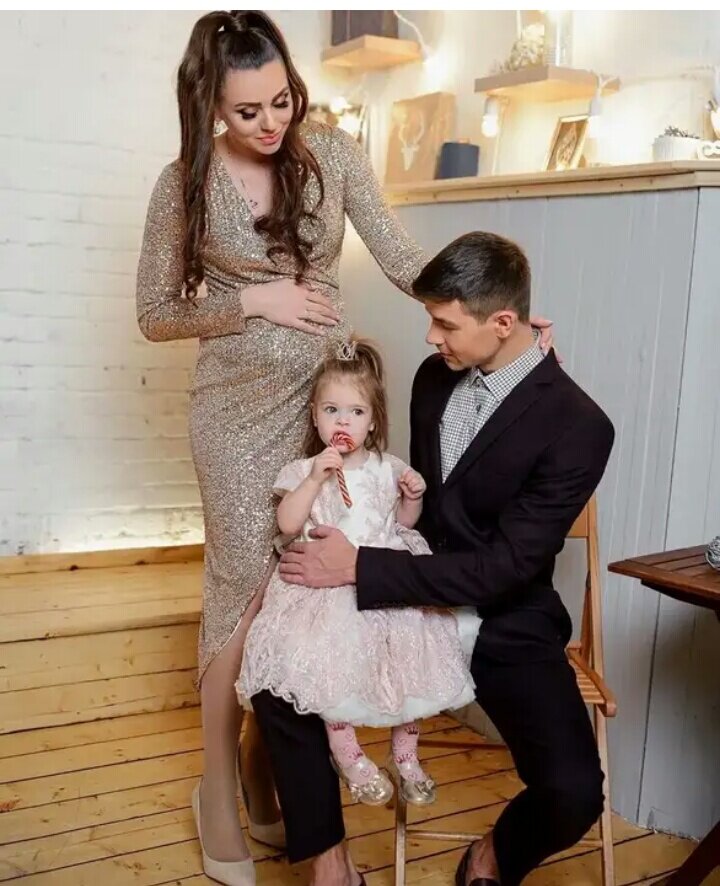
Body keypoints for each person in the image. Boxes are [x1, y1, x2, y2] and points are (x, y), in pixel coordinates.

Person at [136, 8, 553, 883]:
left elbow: (402, 257)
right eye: (246, 110)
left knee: (303, 588)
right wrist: (254, 301)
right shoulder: (183, 183)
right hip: (234, 415)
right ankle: (220, 789)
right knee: (243, 592)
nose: (269, 122)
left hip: (326, 403)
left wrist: (497, 318)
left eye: (281, 100)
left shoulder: (333, 153)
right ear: (210, 105)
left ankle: (267, 767)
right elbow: (155, 312)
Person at [258, 232, 615, 886]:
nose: (429, 337)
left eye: (445, 323)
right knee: (278, 677)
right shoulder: (434, 378)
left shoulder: (579, 426)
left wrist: (360, 568)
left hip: (501, 616)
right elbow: (410, 497)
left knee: (573, 791)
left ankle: (490, 857)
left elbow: (505, 567)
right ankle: (331, 867)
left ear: (502, 322)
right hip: (402, 601)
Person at [237, 339, 479, 815]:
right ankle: (347, 754)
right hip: (325, 592)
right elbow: (287, 523)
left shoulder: (388, 467)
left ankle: (405, 753)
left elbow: (400, 525)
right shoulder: (303, 469)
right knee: (329, 659)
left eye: (355, 412)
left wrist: (412, 497)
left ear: (373, 420)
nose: (343, 422)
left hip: (381, 577)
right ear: (314, 416)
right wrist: (313, 479)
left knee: (414, 653)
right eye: (332, 410)